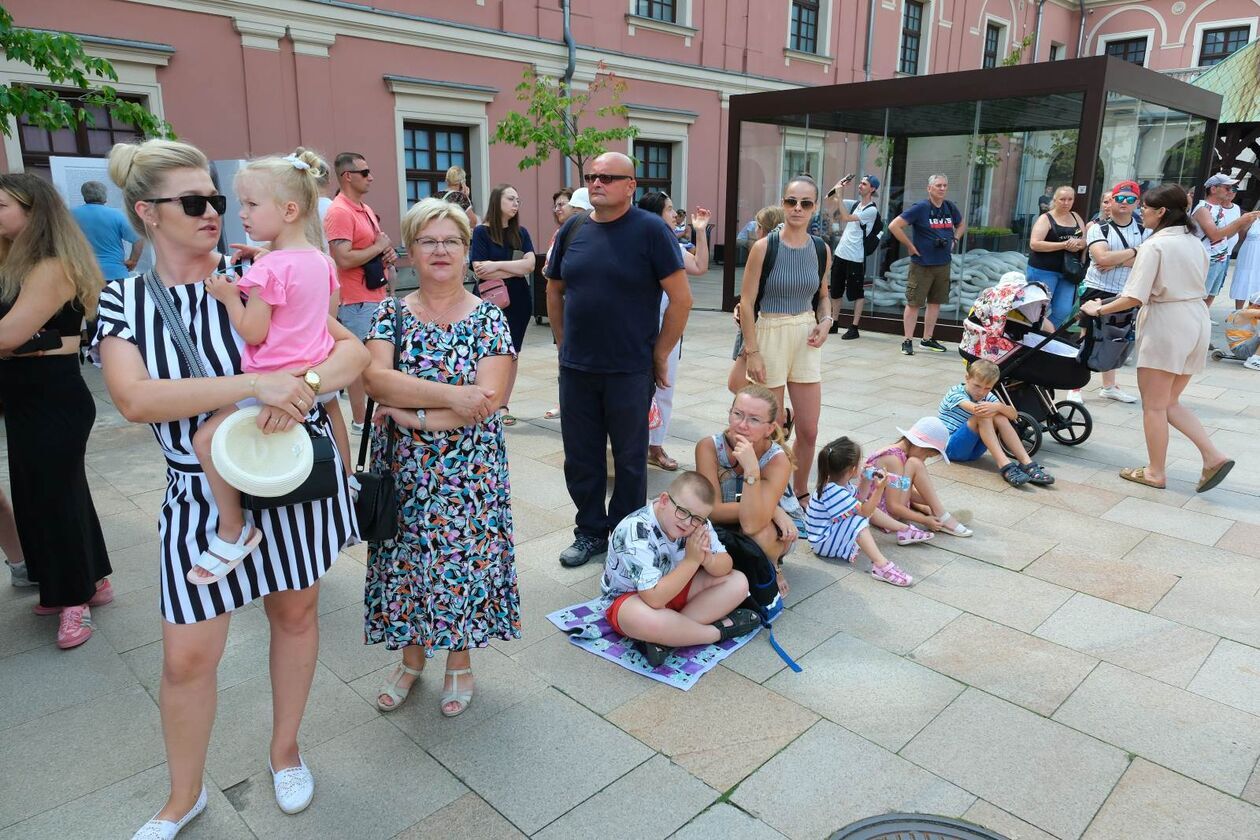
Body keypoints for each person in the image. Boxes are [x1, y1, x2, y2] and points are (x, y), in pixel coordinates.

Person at [96, 139, 367, 838]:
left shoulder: (260, 272)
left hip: (288, 479)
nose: (213, 211)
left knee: (297, 616)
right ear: (146, 213)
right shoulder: (124, 300)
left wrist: (304, 387)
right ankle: (182, 796)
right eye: (193, 202)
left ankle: (286, 751)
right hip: (201, 495)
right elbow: (134, 398)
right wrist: (254, 384)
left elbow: (352, 351)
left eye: (215, 197)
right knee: (186, 656)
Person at [362, 196, 518, 717]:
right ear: (410, 250)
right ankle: (410, 661)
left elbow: (488, 402)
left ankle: (459, 661)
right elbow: (376, 380)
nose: (440, 249)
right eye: (428, 240)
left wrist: (412, 412)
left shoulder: (489, 319)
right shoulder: (389, 313)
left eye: (451, 240)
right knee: (406, 564)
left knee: (461, 563)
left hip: (468, 472)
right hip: (404, 470)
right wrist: (453, 395)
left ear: (466, 248)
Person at [189, 151, 350, 585]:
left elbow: (255, 332)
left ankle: (233, 528)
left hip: (273, 377)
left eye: (251, 205)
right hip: (315, 375)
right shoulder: (319, 260)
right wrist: (265, 254)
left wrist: (227, 297)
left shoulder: (271, 270)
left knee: (207, 439)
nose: (240, 213)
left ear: (289, 210)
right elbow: (311, 307)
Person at [545, 152, 690, 568]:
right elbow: (554, 289)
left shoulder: (650, 231)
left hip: (629, 368)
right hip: (577, 368)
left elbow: (681, 299)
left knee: (629, 459)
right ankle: (590, 531)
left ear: (631, 185)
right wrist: (561, 340)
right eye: (591, 176)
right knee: (581, 455)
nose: (596, 183)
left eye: (607, 177)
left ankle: (626, 534)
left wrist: (659, 353)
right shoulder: (574, 229)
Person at [0, 173, 112, 649]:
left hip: (53, 398)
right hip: (24, 395)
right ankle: (94, 579)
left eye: (2, 205)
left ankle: (74, 601)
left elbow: (5, 336)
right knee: (47, 491)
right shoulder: (13, 262)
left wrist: (31, 343)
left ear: (32, 210)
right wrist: (41, 343)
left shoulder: (50, 264)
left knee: (55, 495)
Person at [1080, 183, 1236, 493]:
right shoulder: (1194, 241)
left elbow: (1133, 296)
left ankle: (1155, 471)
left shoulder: (1155, 245)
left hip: (1167, 322)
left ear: (1162, 212)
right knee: (1169, 402)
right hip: (1196, 319)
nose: (1141, 213)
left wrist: (1098, 309)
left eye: (1146, 209)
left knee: (1154, 405)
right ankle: (1213, 456)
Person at [737, 174, 832, 504]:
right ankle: (770, 493)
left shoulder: (821, 248)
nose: (797, 208)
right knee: (772, 429)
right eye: (792, 201)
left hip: (805, 334)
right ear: (783, 203)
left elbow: (823, 296)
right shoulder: (764, 247)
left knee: (809, 429)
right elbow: (746, 303)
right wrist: (753, 352)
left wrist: (827, 320)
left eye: (806, 203)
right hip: (770, 333)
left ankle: (801, 491)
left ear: (815, 207)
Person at [600, 471, 758, 666]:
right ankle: (716, 632)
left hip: (676, 587)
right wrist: (692, 561)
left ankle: (670, 636)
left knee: (738, 582)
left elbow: (726, 564)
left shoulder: (698, 523)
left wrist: (707, 559)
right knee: (642, 618)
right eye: (682, 511)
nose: (687, 523)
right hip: (632, 600)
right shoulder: (635, 531)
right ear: (665, 500)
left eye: (697, 519)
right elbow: (654, 598)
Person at [695, 385, 797, 597]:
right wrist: (773, 510)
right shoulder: (709, 447)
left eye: (754, 419)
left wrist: (752, 468)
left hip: (769, 531)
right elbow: (712, 511)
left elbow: (752, 524)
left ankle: (773, 565)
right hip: (722, 524)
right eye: (738, 414)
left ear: (770, 429)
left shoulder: (777, 460)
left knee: (758, 534)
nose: (742, 425)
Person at [636, 191, 710, 471]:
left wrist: (700, 231)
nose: (674, 215)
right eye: (669, 210)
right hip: (634, 331)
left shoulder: (671, 246)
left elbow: (701, 266)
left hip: (667, 330)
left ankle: (655, 445)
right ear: (655, 215)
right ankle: (631, 445)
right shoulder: (635, 245)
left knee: (663, 389)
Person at [324, 151, 396, 432]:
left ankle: (369, 416)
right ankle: (359, 420)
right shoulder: (340, 211)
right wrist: (379, 248)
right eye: (365, 172)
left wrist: (385, 251)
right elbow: (343, 258)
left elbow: (372, 247)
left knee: (377, 359)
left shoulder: (363, 208)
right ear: (347, 176)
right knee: (360, 362)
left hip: (374, 295)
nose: (371, 177)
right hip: (355, 300)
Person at [1071, 181, 1149, 404]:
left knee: (1117, 338)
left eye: (1130, 199)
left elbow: (1148, 261)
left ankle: (1109, 385)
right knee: (1087, 336)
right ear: (1112, 201)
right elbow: (1100, 257)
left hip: (1126, 291)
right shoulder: (1098, 227)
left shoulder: (1144, 229)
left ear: (1137, 203)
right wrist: (1135, 252)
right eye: (1120, 198)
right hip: (1097, 289)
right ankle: (1075, 385)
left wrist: (1117, 261)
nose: (1125, 203)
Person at [470, 183, 536, 426]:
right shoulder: (481, 232)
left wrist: (497, 266)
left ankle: (503, 405)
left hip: (518, 301)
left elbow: (529, 266)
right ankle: (484, 400)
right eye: (511, 198)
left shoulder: (522, 233)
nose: (516, 203)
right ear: (497, 201)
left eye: (518, 199)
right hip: (489, 302)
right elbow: (480, 271)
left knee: (512, 354)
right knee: (486, 352)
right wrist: (513, 269)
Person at [807, 437, 913, 586]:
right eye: (860, 462)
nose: (863, 464)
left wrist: (866, 481)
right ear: (852, 470)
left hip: (828, 534)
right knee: (857, 521)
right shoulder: (833, 491)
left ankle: (903, 529)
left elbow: (861, 500)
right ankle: (881, 565)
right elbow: (865, 511)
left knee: (861, 511)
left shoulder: (840, 485)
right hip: (823, 543)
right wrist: (879, 489)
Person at [939, 359, 1055, 488]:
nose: (981, 392)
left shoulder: (987, 396)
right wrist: (995, 408)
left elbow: (1014, 415)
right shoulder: (955, 392)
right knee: (983, 415)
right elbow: (976, 409)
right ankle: (1004, 465)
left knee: (1000, 415)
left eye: (987, 388)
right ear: (967, 378)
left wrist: (999, 407)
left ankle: (1026, 463)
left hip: (974, 452)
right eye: (977, 386)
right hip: (951, 449)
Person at [888, 173, 965, 355]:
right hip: (922, 264)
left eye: (945, 185)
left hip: (943, 263)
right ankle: (907, 340)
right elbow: (894, 226)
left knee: (935, 302)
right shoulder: (921, 208)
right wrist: (909, 245)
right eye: (938, 185)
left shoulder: (949, 207)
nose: (942, 188)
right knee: (914, 302)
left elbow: (961, 224)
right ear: (929, 188)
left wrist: (955, 238)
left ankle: (927, 339)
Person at [862, 417, 973, 538]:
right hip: (886, 515)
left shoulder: (893, 451)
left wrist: (929, 500)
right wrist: (924, 520)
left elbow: (893, 490)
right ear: (920, 446)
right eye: (927, 455)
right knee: (915, 463)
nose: (924, 460)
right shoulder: (894, 460)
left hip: (877, 505)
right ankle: (940, 515)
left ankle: (935, 511)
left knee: (928, 496)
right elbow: (893, 507)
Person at [726, 205, 785, 395]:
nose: (755, 230)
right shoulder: (764, 250)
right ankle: (778, 417)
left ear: (763, 228)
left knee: (741, 384)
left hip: (761, 326)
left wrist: (752, 347)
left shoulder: (766, 252)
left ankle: (780, 417)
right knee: (754, 385)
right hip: (753, 322)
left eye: (758, 226)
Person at [541, 187, 584, 422]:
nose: (559, 208)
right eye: (556, 204)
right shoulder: (560, 234)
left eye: (564, 204)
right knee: (564, 356)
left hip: (575, 305)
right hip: (562, 303)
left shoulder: (583, 232)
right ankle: (565, 400)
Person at [1193, 173, 1259, 311]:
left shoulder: (1218, 208)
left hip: (1219, 258)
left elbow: (1224, 236)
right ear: (1213, 189)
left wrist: (1243, 224)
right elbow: (1214, 235)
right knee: (1199, 298)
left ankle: (1201, 322)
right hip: (1207, 259)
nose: (1231, 192)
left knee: (1211, 294)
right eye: (1227, 188)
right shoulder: (1203, 209)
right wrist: (1240, 222)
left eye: (1232, 189)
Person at [825, 173, 880, 340]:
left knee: (856, 293)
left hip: (856, 257)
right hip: (841, 253)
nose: (860, 186)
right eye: (860, 183)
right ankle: (834, 322)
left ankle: (854, 327)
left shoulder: (871, 210)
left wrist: (840, 196)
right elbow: (829, 197)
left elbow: (846, 217)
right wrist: (840, 184)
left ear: (872, 189)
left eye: (864, 184)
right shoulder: (856, 204)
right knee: (835, 290)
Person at [1026, 185, 1087, 328]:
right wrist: (1063, 245)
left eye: (1070, 199)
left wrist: (1079, 243)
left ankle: (1044, 337)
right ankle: (1030, 337)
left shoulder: (1076, 216)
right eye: (1062, 199)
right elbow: (1034, 244)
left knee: (1064, 310)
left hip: (1068, 271)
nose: (1066, 203)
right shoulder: (1045, 218)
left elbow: (1084, 241)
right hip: (1044, 269)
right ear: (1055, 200)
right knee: (1039, 309)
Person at [72, 180, 144, 282]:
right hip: (115, 274)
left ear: (84, 195)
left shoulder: (70, 215)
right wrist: (133, 260)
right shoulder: (118, 214)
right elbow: (138, 239)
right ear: (104, 196)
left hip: (84, 275)